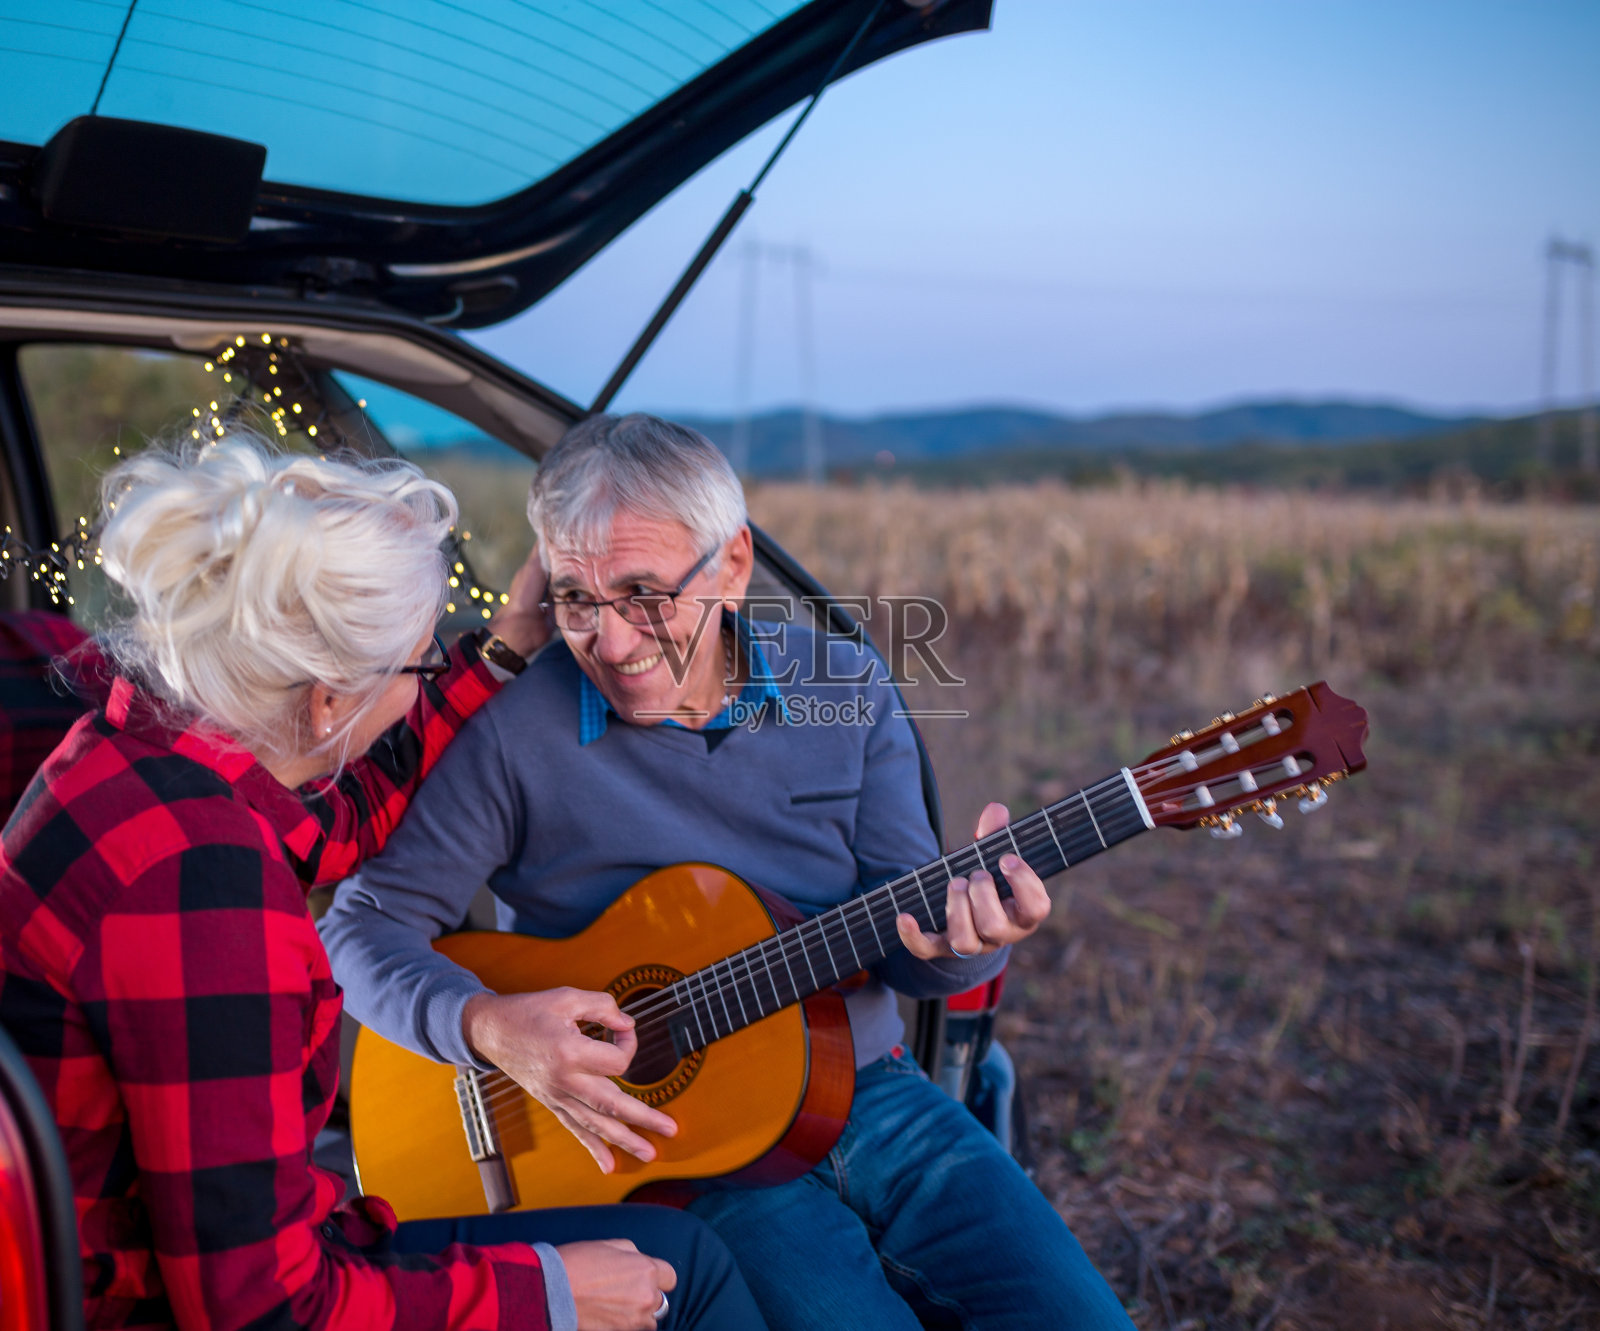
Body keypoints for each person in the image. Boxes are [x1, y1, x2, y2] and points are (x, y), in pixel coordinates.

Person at [322, 414, 1135, 1331]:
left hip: (874, 1092)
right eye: (577, 598)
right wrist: (487, 1027)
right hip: (672, 1149)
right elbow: (359, 927)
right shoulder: (514, 729)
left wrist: (970, 944)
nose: (611, 642)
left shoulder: (846, 687)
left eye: (644, 594)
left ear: (734, 564)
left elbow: (916, 948)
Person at [0, 433, 766, 1331]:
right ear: (328, 701)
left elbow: (334, 825)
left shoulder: (132, 748)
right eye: (418, 662)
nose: (425, 677)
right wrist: (553, 1293)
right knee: (682, 1271)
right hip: (153, 1308)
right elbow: (267, 1310)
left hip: (150, 1265)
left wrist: (504, 647)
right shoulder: (203, 885)